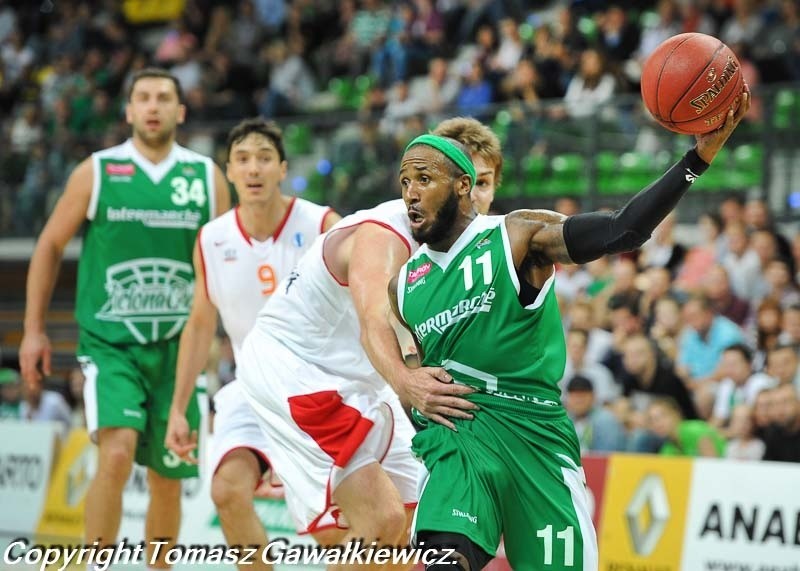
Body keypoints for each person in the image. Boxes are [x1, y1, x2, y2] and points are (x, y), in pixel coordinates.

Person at [389, 89, 749, 570]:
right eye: (405, 181)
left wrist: (696, 160)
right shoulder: (404, 286)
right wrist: (412, 389)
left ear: (462, 185)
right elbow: (412, 371)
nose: (410, 191)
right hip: (462, 438)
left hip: (534, 432)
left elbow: (623, 230)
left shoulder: (516, 234)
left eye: (424, 178)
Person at [236, 117, 503, 555]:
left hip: (365, 379)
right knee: (380, 520)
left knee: (408, 525)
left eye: (483, 182)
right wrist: (409, 384)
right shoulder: (387, 230)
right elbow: (374, 323)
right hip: (297, 369)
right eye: (458, 178)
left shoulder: (473, 251)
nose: (473, 194)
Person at [19, 68, 230, 567]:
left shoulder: (205, 176)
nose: (153, 106)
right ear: (129, 111)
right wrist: (32, 330)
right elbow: (49, 245)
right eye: (143, 97)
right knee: (114, 454)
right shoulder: (96, 171)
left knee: (167, 478)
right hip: (111, 342)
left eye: (163, 97)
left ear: (180, 111)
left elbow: (226, 260)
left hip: (181, 349)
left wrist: (225, 343)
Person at [165, 117, 339, 569]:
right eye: (243, 160)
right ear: (229, 171)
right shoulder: (211, 238)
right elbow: (200, 325)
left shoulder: (323, 224)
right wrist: (180, 407)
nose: (254, 169)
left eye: (264, 158)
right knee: (225, 491)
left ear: (283, 168)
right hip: (252, 388)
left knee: (333, 529)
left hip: (321, 387)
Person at [563, 375, 627, 453]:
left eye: (582, 396)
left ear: (593, 396)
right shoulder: (564, 419)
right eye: (574, 396)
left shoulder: (605, 420)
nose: (578, 401)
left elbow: (605, 455)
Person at [647, 397, 726, 457]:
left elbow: (711, 464)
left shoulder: (695, 430)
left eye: (662, 417)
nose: (657, 424)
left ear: (676, 414)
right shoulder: (668, 448)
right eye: (651, 420)